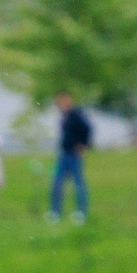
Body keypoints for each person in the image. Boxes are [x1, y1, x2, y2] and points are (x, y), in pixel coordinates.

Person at [50, 93, 91, 223]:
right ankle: (55, 212)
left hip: (73, 154)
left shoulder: (75, 115)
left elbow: (87, 129)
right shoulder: (65, 116)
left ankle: (81, 212)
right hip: (64, 153)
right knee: (57, 183)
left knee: (79, 184)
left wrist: (83, 146)